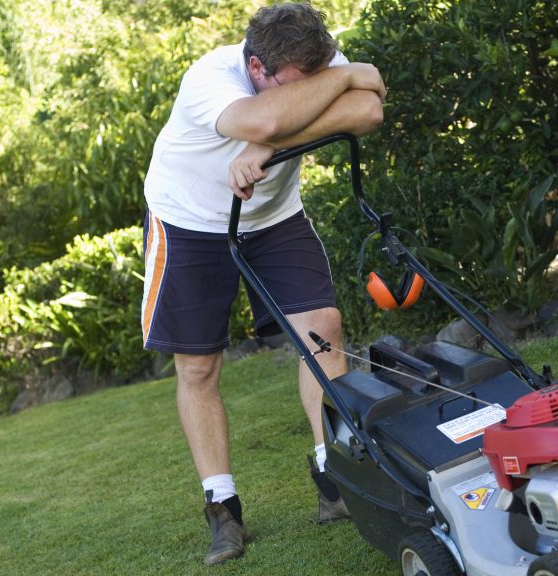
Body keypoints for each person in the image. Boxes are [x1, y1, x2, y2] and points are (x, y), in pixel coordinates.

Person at [140, 2, 386, 566]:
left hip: (273, 219)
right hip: (189, 222)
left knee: (323, 330)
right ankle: (222, 509)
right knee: (197, 366)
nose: (325, 82)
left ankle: (334, 474)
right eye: (308, 84)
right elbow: (264, 120)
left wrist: (276, 140)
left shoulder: (320, 62)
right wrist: (330, 92)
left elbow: (368, 109)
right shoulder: (208, 78)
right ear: (257, 69)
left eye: (328, 73)